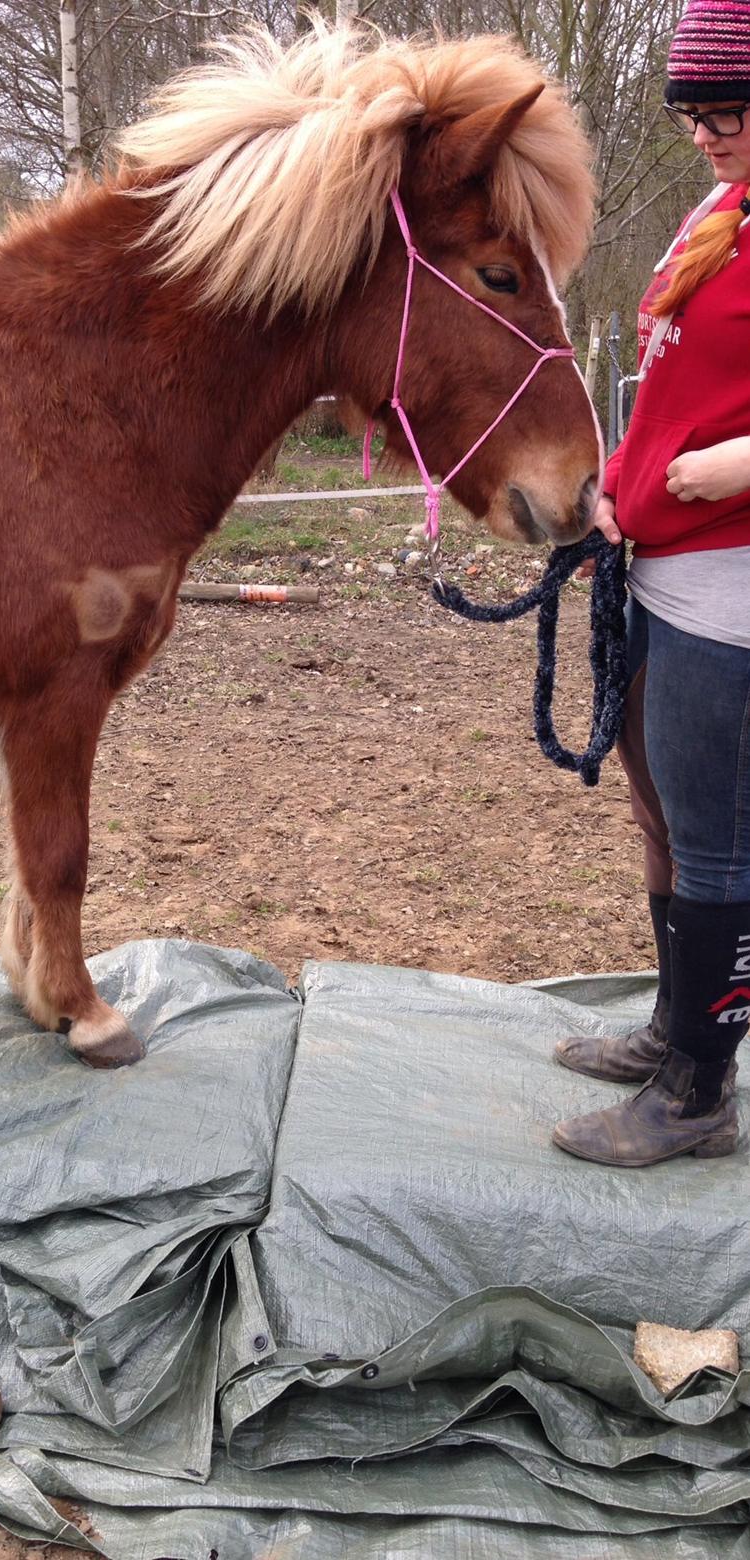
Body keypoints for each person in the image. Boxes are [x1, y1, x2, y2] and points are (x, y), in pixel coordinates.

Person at [551, 0, 750, 1167]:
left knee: (723, 843)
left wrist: (729, 466)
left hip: (733, 581)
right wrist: (625, 481)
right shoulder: (721, 209)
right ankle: (675, 1026)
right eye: (694, 115)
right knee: (663, 816)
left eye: (729, 111)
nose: (708, 133)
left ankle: (697, 1094)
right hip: (663, 560)